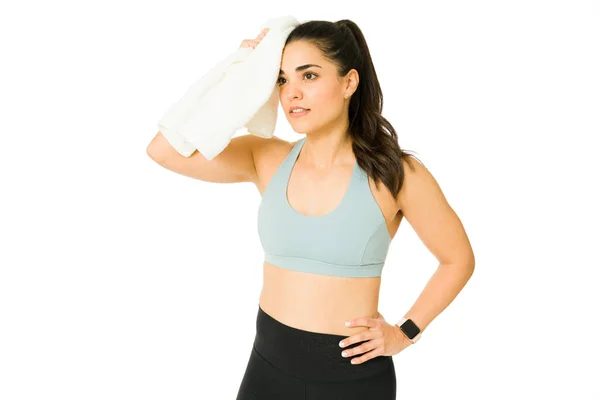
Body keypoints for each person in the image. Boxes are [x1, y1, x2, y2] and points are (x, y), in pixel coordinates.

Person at [147, 19, 475, 400]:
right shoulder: (265, 157)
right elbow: (163, 150)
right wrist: (238, 69)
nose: (292, 94)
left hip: (352, 381)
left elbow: (458, 259)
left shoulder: (396, 173)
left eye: (310, 76)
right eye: (282, 79)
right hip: (267, 369)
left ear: (349, 83)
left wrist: (405, 332)